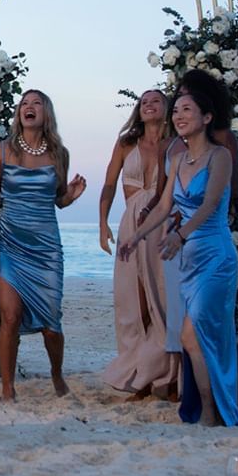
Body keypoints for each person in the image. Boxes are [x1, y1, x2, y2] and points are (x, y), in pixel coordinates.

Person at [0, 89, 87, 400]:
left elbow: (58, 201)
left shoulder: (59, 154)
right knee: (10, 317)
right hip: (10, 243)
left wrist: (71, 195)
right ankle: (7, 387)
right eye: (24, 103)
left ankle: (57, 375)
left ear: (46, 113)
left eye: (36, 103)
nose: (29, 107)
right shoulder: (0, 151)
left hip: (46, 249)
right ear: (19, 113)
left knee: (51, 324)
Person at [154, 87, 238, 426]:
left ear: (206, 117)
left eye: (186, 110)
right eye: (175, 110)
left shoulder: (220, 156)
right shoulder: (178, 160)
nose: (178, 116)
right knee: (193, 336)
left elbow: (208, 206)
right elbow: (164, 207)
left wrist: (179, 234)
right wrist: (133, 237)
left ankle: (209, 411)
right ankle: (211, 409)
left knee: (193, 334)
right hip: (188, 262)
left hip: (216, 258)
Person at [100, 89, 177, 399]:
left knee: (163, 297)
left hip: (164, 223)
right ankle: (139, 371)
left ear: (166, 108)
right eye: (143, 101)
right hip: (131, 223)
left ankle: (166, 374)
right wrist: (102, 221)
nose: (148, 105)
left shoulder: (175, 144)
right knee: (133, 299)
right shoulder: (126, 144)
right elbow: (108, 184)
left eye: (155, 100)